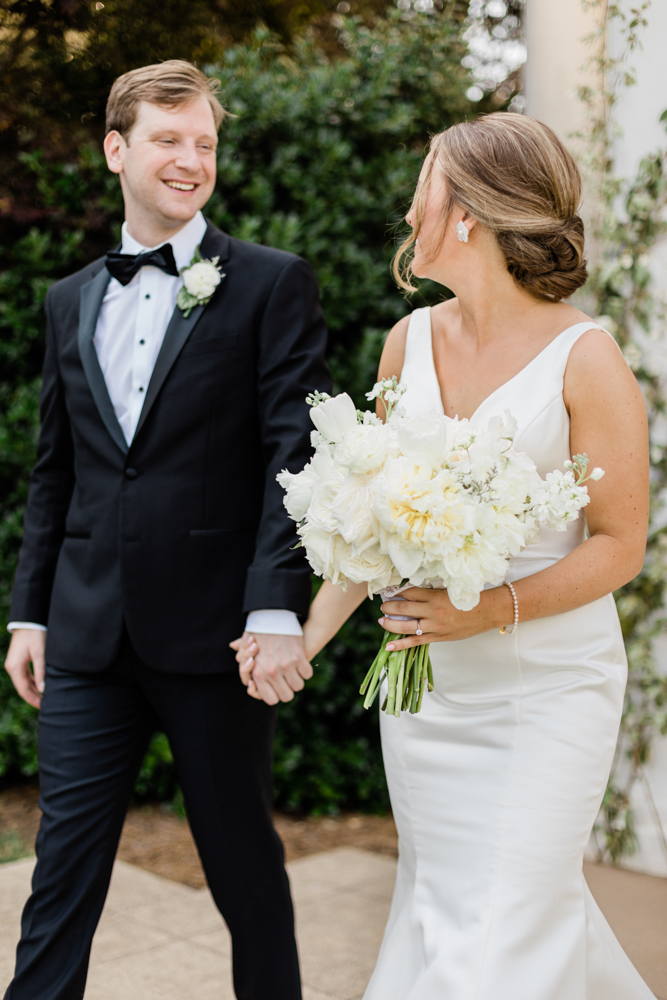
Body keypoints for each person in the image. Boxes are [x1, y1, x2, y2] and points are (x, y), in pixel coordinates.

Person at [237, 114, 654, 998]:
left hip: (547, 691)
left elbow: (621, 546)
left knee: (504, 926)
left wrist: (486, 610)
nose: (406, 210)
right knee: (457, 911)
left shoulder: (586, 358)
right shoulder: (408, 342)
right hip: (430, 700)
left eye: (421, 186)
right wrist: (303, 639)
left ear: (464, 214)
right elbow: (370, 524)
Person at [4, 60, 330, 1000]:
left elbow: (294, 454)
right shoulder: (68, 298)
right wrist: (32, 616)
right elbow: (56, 470)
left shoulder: (271, 283)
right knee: (60, 874)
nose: (191, 162)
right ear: (116, 149)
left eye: (205, 145)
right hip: (87, 635)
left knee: (243, 872)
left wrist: (275, 607)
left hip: (216, 637)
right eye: (168, 140)